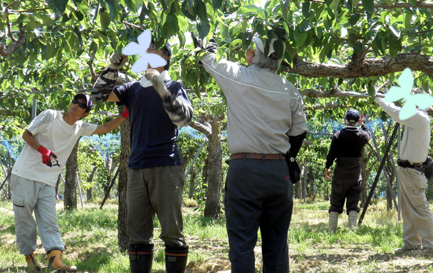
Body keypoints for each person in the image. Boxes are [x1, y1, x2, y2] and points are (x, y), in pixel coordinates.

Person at [193, 33, 308, 273]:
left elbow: (206, 57)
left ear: (253, 54)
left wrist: (209, 38)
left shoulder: (237, 76)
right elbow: (299, 133)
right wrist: (285, 158)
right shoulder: (289, 89)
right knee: (277, 246)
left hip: (245, 171)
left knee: (242, 246)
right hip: (279, 173)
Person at [90, 41, 193, 273]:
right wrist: (112, 67)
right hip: (137, 168)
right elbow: (98, 95)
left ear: (165, 58)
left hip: (166, 165)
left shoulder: (175, 86)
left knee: (173, 235)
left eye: (152, 49)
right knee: (137, 236)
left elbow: (183, 119)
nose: (145, 53)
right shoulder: (133, 88)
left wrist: (162, 90)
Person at [11, 93, 128, 272]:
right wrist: (43, 150)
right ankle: (30, 260)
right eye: (75, 101)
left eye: (81, 105)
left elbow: (104, 127)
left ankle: (56, 261)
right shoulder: (50, 115)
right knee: (25, 221)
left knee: (50, 221)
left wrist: (124, 115)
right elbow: (26, 134)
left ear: (85, 114)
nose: (75, 104)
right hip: (25, 175)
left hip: (48, 182)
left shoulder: (80, 127)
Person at [375, 96, 433, 257]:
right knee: (408, 209)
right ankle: (411, 245)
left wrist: (380, 99)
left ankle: (431, 247)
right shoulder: (417, 116)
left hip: (412, 171)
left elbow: (395, 112)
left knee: (419, 208)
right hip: (407, 170)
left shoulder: (418, 116)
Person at [324, 109, 371, 233]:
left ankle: (331, 231)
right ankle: (352, 230)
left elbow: (331, 154)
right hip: (355, 172)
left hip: (340, 171)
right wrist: (363, 124)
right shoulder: (361, 136)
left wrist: (327, 167)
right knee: (353, 200)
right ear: (357, 121)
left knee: (336, 199)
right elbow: (368, 134)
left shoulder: (338, 135)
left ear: (345, 120)